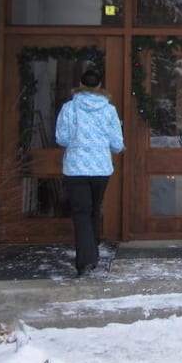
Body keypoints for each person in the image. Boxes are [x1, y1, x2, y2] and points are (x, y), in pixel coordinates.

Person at [56, 67, 124, 277]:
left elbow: (62, 139)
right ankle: (91, 252)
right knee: (94, 209)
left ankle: (86, 258)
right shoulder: (109, 110)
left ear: (81, 85)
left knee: (81, 212)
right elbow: (117, 144)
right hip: (101, 168)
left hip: (76, 168)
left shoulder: (69, 108)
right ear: (99, 86)